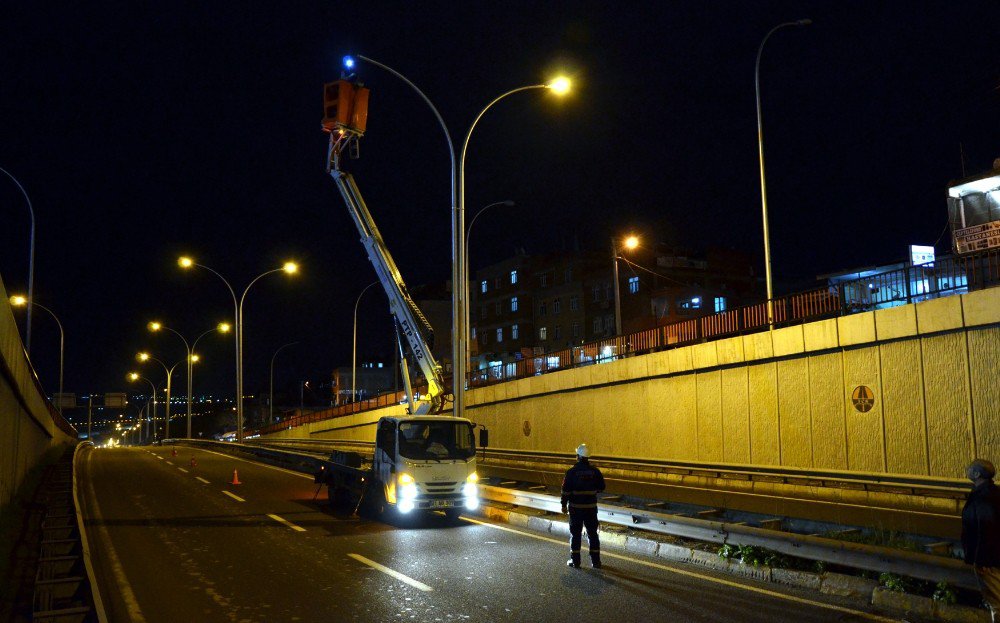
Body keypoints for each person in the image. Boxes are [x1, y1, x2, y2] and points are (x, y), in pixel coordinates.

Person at [962, 458, 1000, 621]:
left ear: (977, 474)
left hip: (987, 560)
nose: (967, 470)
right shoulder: (994, 493)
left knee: (996, 600)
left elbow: (985, 529)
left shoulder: (982, 498)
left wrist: (978, 559)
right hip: (994, 557)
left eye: (970, 468)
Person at [561, 443, 605, 569]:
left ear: (578, 456)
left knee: (575, 534)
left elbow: (565, 491)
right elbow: (602, 487)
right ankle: (596, 562)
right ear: (588, 457)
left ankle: (575, 561)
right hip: (591, 508)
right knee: (592, 534)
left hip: (576, 509)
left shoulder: (571, 472)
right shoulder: (595, 471)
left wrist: (563, 505)